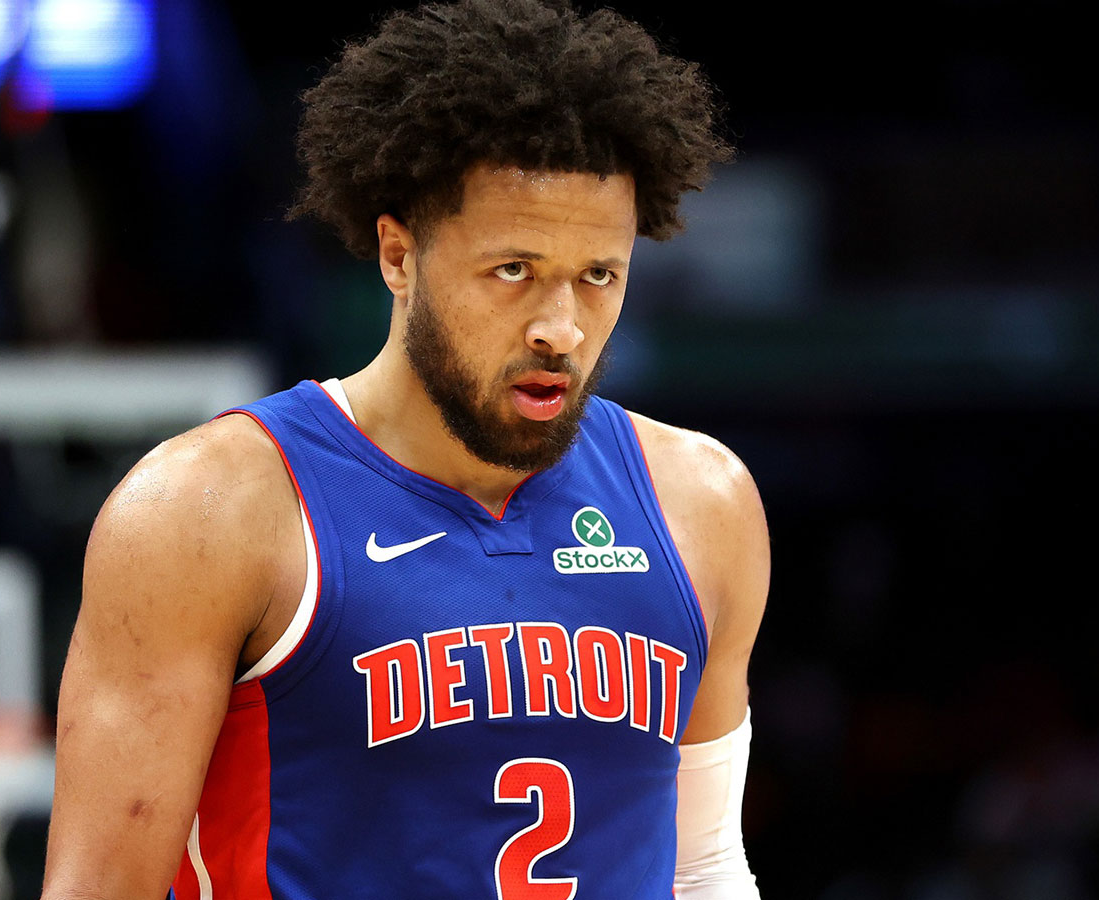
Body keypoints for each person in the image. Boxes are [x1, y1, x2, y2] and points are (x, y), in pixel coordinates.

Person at [41, 0, 768, 897]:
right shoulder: (210, 512)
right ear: (397, 254)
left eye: (598, 277)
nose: (560, 328)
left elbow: (703, 867)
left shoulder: (702, 502)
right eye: (514, 270)